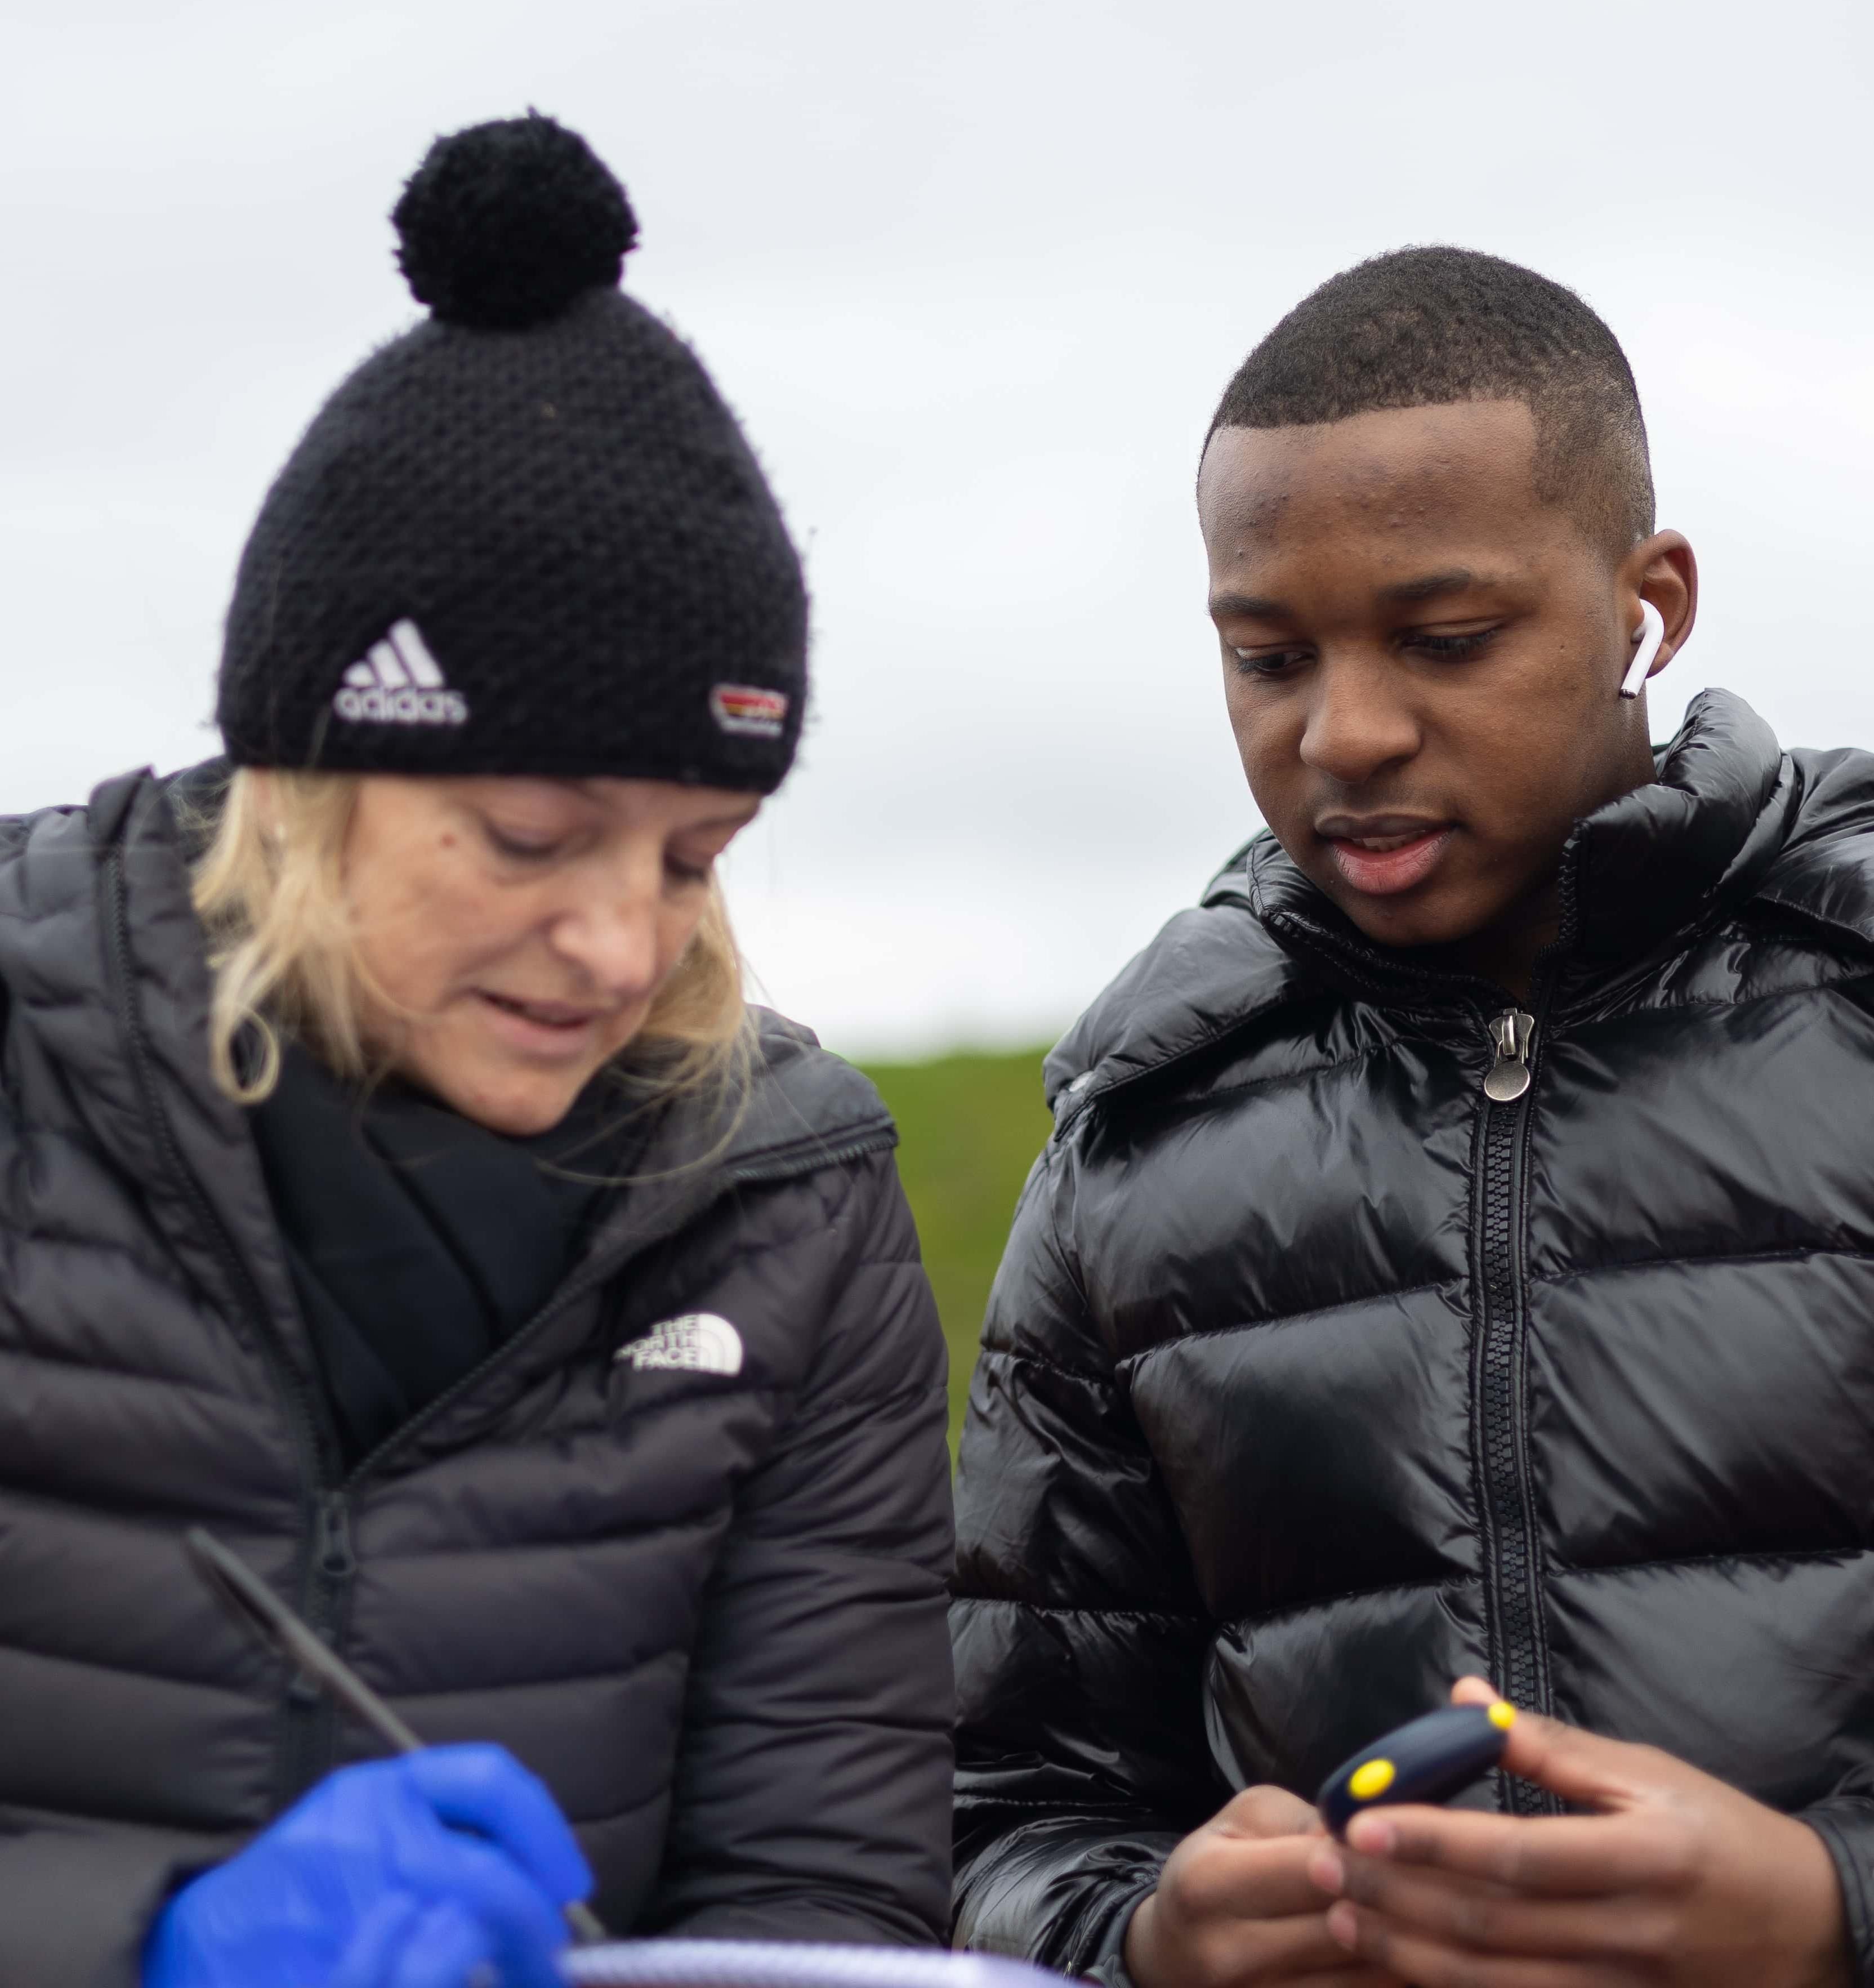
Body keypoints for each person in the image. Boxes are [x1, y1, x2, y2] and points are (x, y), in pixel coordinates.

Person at [0, 114, 954, 1988]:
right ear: (312, 768)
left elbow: (822, 1887)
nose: (620, 943)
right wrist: (133, 1948)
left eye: (698, 857)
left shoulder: (791, 1206)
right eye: (531, 837)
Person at [950, 248, 1874, 1987]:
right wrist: (1149, 1938)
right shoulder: (1138, 1137)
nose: (1346, 732)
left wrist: (1828, 1913)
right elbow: (998, 1818)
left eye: (1445, 641)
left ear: (1647, 605)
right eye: (1268, 655)